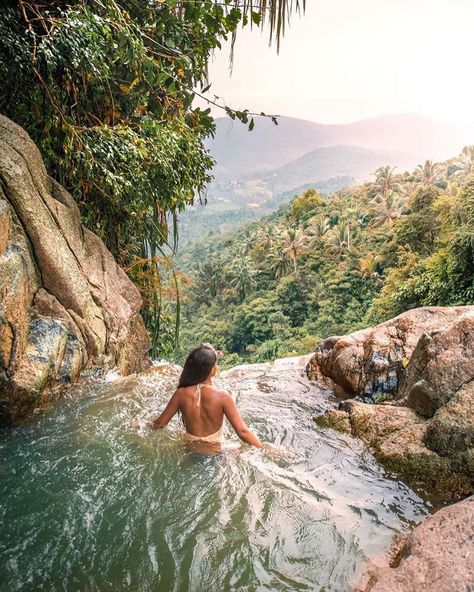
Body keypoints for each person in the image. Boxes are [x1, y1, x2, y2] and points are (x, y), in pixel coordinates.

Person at [150, 344, 263, 448]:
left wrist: (141, 424)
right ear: (212, 369)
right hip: (215, 451)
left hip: (189, 449)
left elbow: (160, 424)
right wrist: (263, 448)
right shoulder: (223, 397)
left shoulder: (181, 393)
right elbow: (242, 432)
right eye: (215, 363)